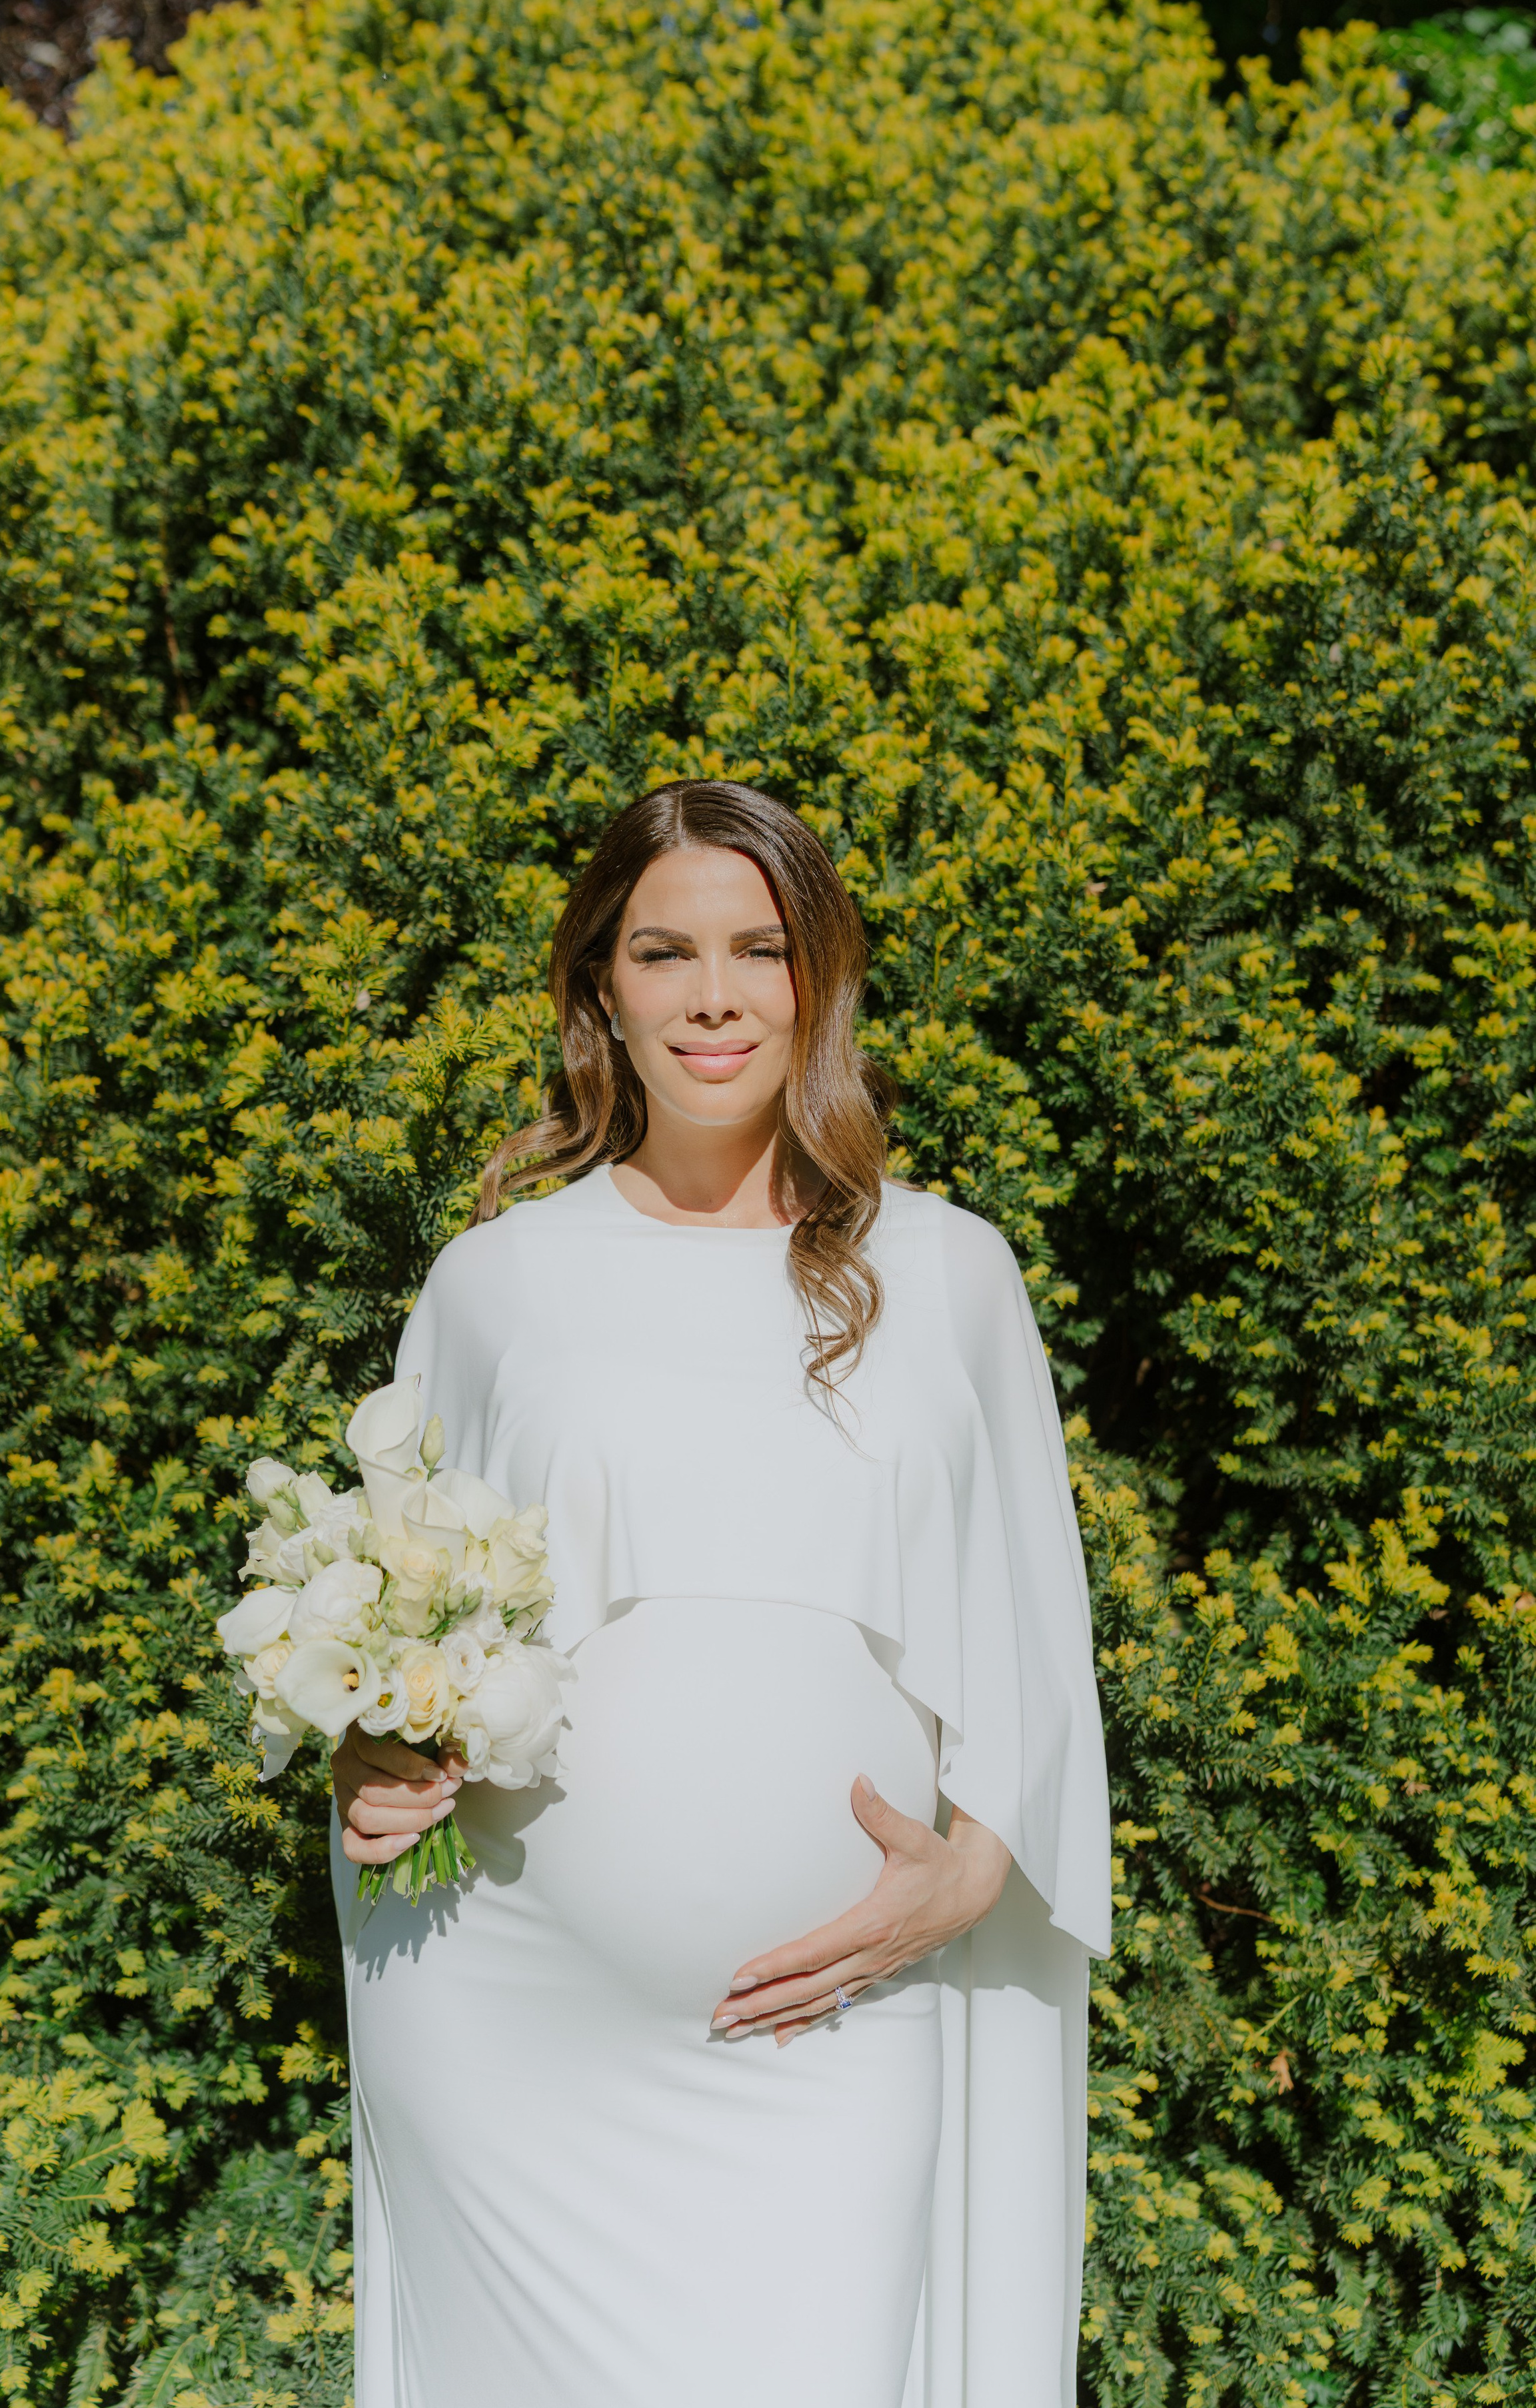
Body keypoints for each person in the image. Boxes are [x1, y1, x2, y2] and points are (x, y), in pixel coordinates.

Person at [330, 779, 1111, 2408]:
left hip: (829, 2027)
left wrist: (974, 1870)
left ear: (816, 978)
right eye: (662, 951)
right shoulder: (496, 1283)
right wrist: (372, 1757)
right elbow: (396, 1635)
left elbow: (1039, 1648)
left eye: (758, 949)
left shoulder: (950, 1271)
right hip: (504, 2023)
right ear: (598, 988)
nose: (711, 996)